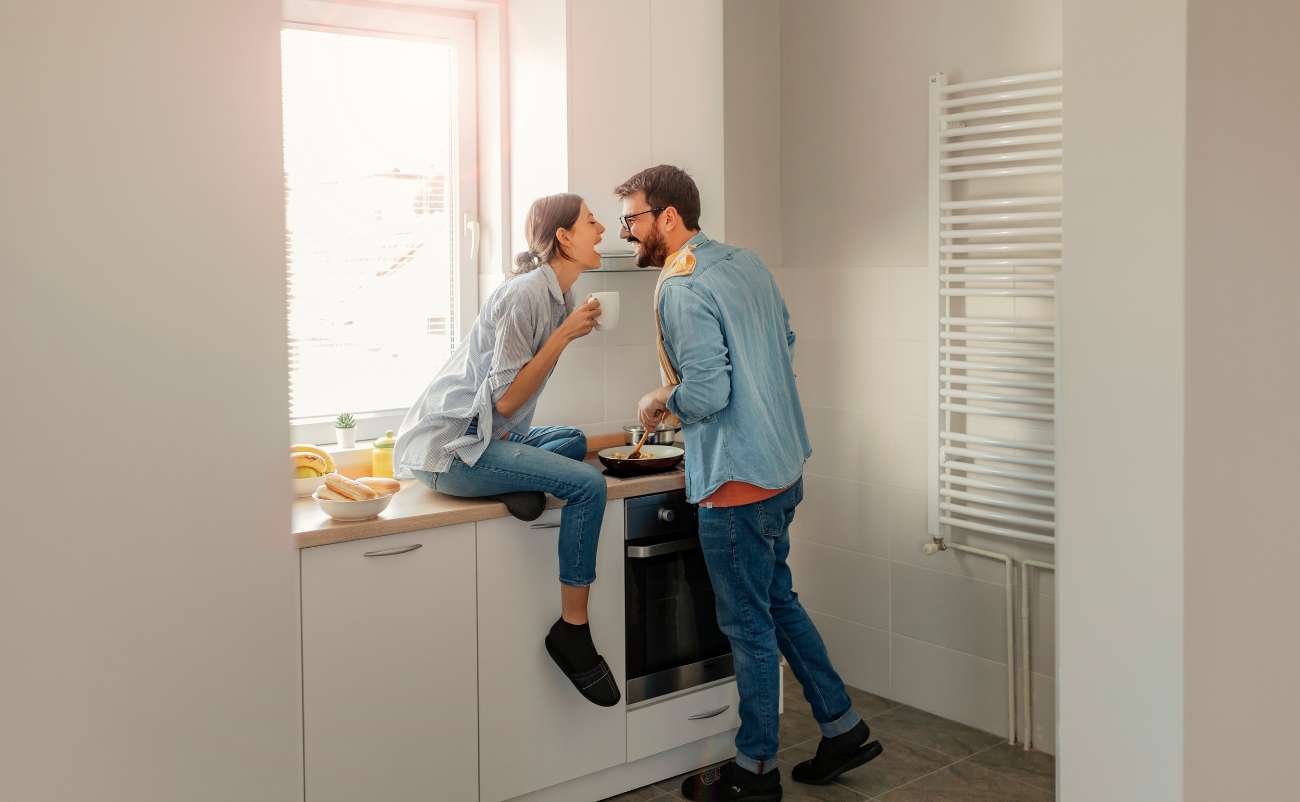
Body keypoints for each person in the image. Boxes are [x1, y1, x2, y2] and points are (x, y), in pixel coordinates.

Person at [617, 166, 882, 801]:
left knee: (749, 627)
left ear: (669, 217)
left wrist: (663, 397)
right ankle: (842, 726)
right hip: (782, 465)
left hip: (737, 483)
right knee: (778, 603)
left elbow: (708, 391)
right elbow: (782, 341)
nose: (628, 232)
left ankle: (755, 770)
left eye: (633, 219)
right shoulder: (744, 262)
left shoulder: (680, 288)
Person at [392, 193, 620, 707]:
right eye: (590, 221)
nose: (602, 228)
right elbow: (507, 398)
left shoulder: (557, 296)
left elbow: (510, 406)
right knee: (586, 484)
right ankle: (573, 630)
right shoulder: (525, 296)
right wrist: (562, 338)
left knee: (574, 443)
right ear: (564, 236)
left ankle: (521, 485)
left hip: (492, 437)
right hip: (452, 450)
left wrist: (563, 330)